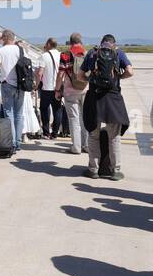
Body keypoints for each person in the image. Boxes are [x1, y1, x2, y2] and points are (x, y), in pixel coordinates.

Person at [81, 34, 133, 180]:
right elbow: (130, 71)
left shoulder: (92, 53)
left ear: (101, 43)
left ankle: (93, 170)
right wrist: (118, 78)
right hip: (113, 98)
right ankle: (115, 171)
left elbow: (79, 75)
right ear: (114, 44)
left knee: (93, 135)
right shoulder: (119, 53)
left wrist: (90, 78)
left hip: (94, 98)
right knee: (114, 137)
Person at [0, 30, 26, 155]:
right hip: (20, 85)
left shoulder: (1, 50)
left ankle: (13, 143)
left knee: (9, 114)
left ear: (4, 38)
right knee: (19, 114)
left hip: (7, 84)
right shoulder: (20, 50)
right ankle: (18, 142)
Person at [56, 34, 88, 155]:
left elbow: (60, 75)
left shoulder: (65, 55)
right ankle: (86, 145)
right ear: (81, 41)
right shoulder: (87, 54)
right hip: (85, 90)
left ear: (70, 42)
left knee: (74, 119)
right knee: (84, 118)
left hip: (70, 92)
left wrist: (57, 90)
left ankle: (76, 147)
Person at [36, 38, 64, 139]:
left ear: (48, 44)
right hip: (58, 87)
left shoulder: (44, 56)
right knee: (57, 110)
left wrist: (36, 85)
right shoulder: (61, 55)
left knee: (44, 109)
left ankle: (46, 132)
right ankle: (55, 133)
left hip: (46, 87)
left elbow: (40, 73)